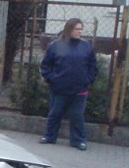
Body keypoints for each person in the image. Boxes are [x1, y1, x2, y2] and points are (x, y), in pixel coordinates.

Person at [39, 18, 98, 151]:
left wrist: (87, 80)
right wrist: (51, 79)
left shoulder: (86, 46)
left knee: (77, 115)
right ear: (69, 29)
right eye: (77, 29)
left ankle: (78, 140)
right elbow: (46, 65)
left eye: (81, 29)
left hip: (80, 89)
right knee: (55, 113)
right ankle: (49, 137)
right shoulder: (55, 45)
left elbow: (93, 66)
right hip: (59, 88)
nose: (79, 32)